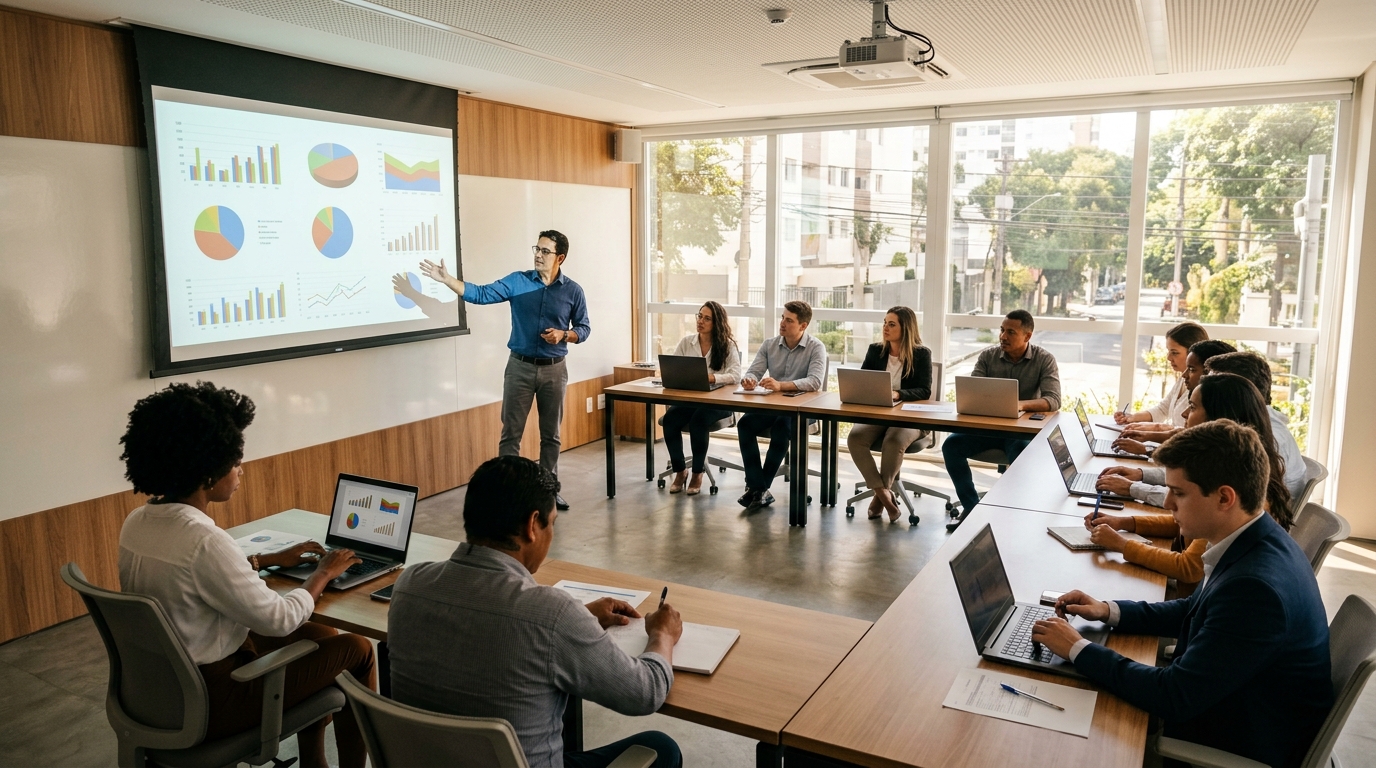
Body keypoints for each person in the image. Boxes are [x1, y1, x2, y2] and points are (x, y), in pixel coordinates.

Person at [1032, 420, 1332, 768]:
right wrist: (1108, 610)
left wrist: (1078, 649)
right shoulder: (1257, 539)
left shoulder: (1256, 590)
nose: (1169, 503)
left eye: (1180, 492)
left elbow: (1173, 696)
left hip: (1234, 741)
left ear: (1224, 498)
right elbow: (1195, 608)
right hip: (1229, 702)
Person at [117, 382, 376, 768]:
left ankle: (315, 762)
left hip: (156, 688)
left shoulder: (137, 522)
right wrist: (322, 573)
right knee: (357, 649)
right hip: (215, 700)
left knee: (318, 633)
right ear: (207, 472)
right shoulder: (205, 541)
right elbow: (278, 618)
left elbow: (200, 574)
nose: (241, 470)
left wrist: (268, 558)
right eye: (236, 462)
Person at [387, 456, 683, 768]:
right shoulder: (552, 614)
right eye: (551, 523)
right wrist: (662, 634)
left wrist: (577, 618)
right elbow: (645, 692)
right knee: (660, 747)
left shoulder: (409, 585)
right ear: (532, 525)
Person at [419, 230, 589, 511]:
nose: (538, 254)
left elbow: (583, 328)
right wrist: (447, 280)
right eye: (537, 248)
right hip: (519, 368)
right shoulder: (518, 281)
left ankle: (547, 492)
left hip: (554, 370)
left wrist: (564, 335)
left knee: (551, 436)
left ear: (560, 258)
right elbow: (481, 294)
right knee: (511, 434)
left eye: (545, 251)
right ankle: (507, 493)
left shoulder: (573, 291)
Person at [1088, 373, 1295, 595]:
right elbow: (1184, 523)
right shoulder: (1233, 467)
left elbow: (1189, 568)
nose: (1185, 414)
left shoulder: (1237, 487)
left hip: (1191, 596)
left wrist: (1122, 544)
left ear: (1219, 417)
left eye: (1193, 407)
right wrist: (1124, 522)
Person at [943, 309, 1061, 530]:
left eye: (1010, 332)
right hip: (986, 429)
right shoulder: (988, 356)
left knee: (1021, 451)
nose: (1003, 336)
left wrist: (1020, 404)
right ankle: (971, 509)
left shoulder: (1044, 359)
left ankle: (1012, 514)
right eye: (1001, 330)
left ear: (1027, 336)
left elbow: (1053, 400)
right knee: (951, 445)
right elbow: (973, 390)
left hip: (1018, 432)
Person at [735, 301, 829, 513]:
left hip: (803, 411)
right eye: (782, 318)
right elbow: (753, 371)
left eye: (789, 320)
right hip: (773, 406)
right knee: (745, 424)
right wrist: (748, 380)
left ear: (803, 326)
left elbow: (815, 381)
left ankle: (758, 488)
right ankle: (759, 489)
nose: (782, 323)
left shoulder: (816, 347)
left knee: (782, 428)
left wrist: (781, 385)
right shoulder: (769, 344)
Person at [845, 306, 932, 522]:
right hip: (880, 414)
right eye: (884, 322)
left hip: (910, 418)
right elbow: (863, 381)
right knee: (855, 438)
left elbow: (924, 390)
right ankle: (884, 494)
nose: (885, 327)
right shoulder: (876, 350)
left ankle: (878, 499)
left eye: (891, 324)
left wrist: (898, 393)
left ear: (906, 328)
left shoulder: (921, 354)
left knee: (893, 441)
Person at [1204, 350, 1308, 501]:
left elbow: (1215, 499)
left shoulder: (1266, 438)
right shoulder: (1253, 423)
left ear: (1238, 392)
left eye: (1213, 391)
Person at [662, 301, 741, 495]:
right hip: (691, 400)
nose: (701, 321)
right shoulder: (687, 342)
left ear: (717, 323)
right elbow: (675, 368)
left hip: (718, 403)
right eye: (699, 316)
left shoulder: (727, 346)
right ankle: (681, 470)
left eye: (707, 318)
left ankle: (697, 473)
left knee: (699, 420)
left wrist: (712, 377)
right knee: (670, 420)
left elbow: (736, 375)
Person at [1113, 339, 1236, 449]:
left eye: (1175, 352)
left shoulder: (1216, 409)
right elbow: (1184, 434)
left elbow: (1188, 443)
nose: (1185, 414)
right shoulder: (1187, 384)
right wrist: (1144, 430)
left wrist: (1148, 447)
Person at [1115, 322, 1208, 427]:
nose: (1168, 358)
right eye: (1168, 351)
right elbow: (1163, 409)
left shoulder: (1202, 389)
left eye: (1174, 352)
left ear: (1193, 353)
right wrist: (1132, 418)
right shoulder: (1183, 379)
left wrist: (1150, 431)